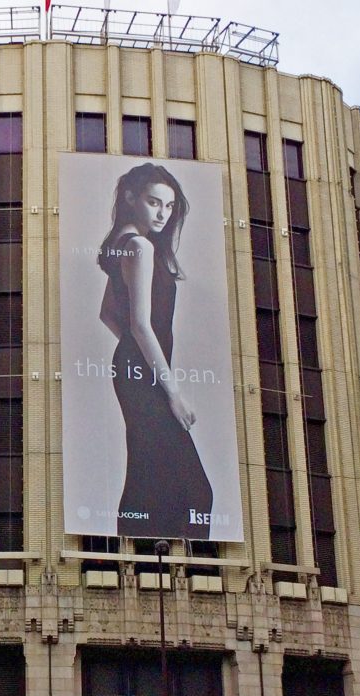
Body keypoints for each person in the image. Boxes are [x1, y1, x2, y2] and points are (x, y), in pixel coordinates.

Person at [97, 162, 212, 538]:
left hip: (135, 369)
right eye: (153, 202)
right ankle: (160, 565)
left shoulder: (125, 245)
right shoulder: (140, 247)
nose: (163, 214)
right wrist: (174, 393)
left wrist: (132, 355)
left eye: (169, 206)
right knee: (196, 491)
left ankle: (131, 558)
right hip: (144, 376)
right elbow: (140, 325)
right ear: (130, 199)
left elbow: (109, 314)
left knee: (148, 475)